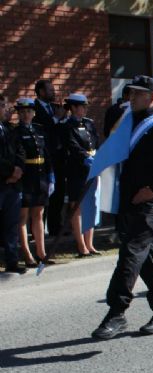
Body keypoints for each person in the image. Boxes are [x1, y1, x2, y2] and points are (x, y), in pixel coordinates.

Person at [91, 75, 153, 340]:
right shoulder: (126, 124)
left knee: (132, 249)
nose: (131, 97)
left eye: (138, 94)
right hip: (130, 197)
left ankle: (116, 312)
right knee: (147, 254)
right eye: (130, 93)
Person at [12, 98, 54, 268]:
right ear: (19, 114)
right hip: (26, 176)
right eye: (22, 112)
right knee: (23, 216)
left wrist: (51, 174)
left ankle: (41, 253)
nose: (26, 114)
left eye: (29, 111)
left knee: (39, 214)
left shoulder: (39, 130)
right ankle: (27, 254)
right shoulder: (15, 132)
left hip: (41, 176)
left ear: (34, 113)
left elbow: (47, 153)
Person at [61, 93, 100, 257]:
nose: (85, 109)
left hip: (92, 168)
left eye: (85, 106)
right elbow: (72, 145)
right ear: (73, 108)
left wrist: (96, 157)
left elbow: (95, 141)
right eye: (82, 106)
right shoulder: (66, 126)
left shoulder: (89, 124)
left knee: (90, 205)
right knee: (77, 207)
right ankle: (81, 244)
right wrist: (85, 157)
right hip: (77, 170)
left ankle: (90, 243)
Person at [33, 80, 64, 237]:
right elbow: (42, 128)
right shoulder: (34, 109)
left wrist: (61, 118)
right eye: (50, 90)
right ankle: (39, 230)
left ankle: (55, 226)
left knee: (58, 192)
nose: (54, 92)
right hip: (44, 157)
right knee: (44, 193)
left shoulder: (54, 108)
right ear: (41, 92)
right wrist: (56, 119)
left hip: (58, 157)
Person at [0, 95, 26, 274]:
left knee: (11, 224)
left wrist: (18, 168)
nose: (7, 108)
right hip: (2, 182)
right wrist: (10, 172)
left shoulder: (10, 129)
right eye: (3, 105)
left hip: (12, 185)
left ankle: (12, 261)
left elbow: (21, 150)